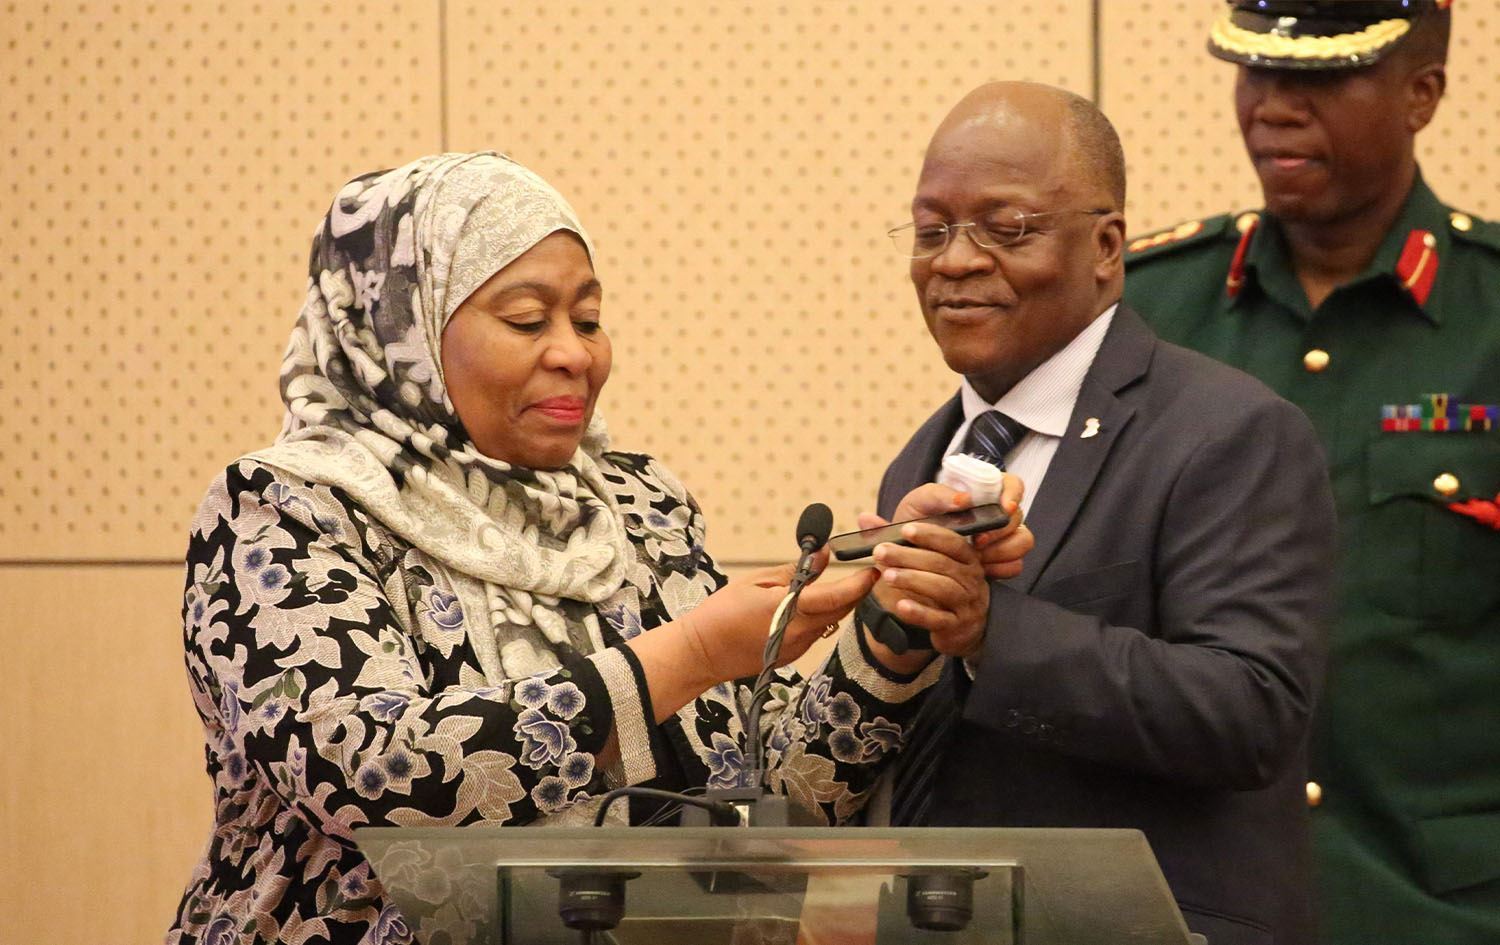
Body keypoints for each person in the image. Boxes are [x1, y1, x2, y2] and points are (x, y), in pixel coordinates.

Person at [166, 152, 1029, 944]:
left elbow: (773, 798)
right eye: (526, 319)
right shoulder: (285, 508)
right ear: (402, 331)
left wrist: (893, 621)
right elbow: (373, 774)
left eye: (588, 318)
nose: (573, 354)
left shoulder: (639, 503)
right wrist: (689, 654)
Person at [862, 82, 1337, 945]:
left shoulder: (1229, 432)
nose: (955, 260)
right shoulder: (920, 463)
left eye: (1006, 228)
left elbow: (1250, 710)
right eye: (932, 231)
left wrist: (993, 633)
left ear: (1106, 246)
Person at [1122, 3, 1500, 942]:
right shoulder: (1149, 311)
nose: (1275, 107)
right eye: (1257, 72)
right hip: (1199, 905)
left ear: (1422, 94)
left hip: (1441, 906)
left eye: (1322, 78)